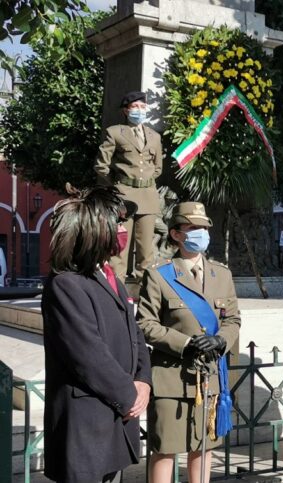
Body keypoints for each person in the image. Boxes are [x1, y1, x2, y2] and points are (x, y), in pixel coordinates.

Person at [42, 186, 151, 482]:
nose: (122, 229)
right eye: (116, 223)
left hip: (115, 418)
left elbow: (135, 333)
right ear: (96, 229)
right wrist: (130, 395)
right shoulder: (66, 284)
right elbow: (88, 355)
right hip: (87, 427)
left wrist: (143, 379)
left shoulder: (107, 276)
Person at [136, 201, 241, 483]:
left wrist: (220, 340)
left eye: (203, 228)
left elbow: (233, 320)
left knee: (202, 449)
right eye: (192, 228)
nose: (200, 233)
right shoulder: (159, 275)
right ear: (175, 234)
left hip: (209, 378)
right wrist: (185, 343)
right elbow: (144, 324)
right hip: (171, 377)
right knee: (165, 451)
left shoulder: (223, 275)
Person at [95, 90, 163, 281]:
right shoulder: (115, 132)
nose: (139, 110)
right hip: (124, 196)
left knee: (146, 250)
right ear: (126, 111)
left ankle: (145, 291)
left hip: (148, 196)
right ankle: (117, 290)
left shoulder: (154, 136)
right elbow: (101, 165)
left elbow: (157, 168)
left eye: (142, 107)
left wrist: (145, 183)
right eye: (135, 107)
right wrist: (117, 185)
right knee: (120, 247)